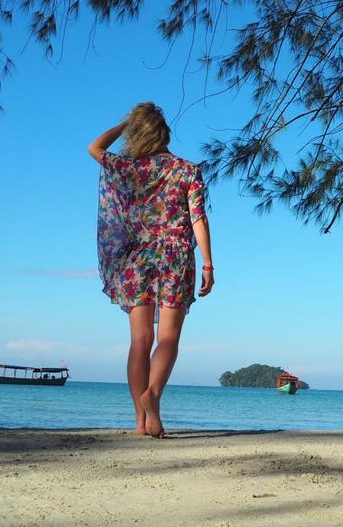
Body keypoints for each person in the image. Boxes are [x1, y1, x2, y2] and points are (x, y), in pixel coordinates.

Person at [88, 102, 214, 438]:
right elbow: (198, 218)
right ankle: (153, 396)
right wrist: (208, 263)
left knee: (140, 340)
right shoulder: (187, 170)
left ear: (138, 134)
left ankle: (140, 423)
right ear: (165, 133)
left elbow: (95, 147)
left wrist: (124, 123)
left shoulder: (129, 168)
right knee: (168, 337)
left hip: (137, 259)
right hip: (176, 257)